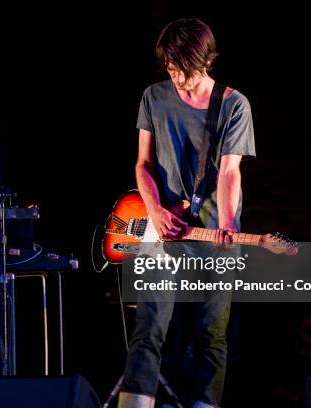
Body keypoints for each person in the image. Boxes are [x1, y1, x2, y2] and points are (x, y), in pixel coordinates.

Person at [118, 18, 256, 408]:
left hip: (213, 233)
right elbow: (142, 165)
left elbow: (230, 171)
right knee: (148, 329)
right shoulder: (153, 97)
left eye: (184, 68)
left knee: (211, 333)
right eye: (171, 68)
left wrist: (227, 225)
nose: (177, 77)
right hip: (162, 228)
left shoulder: (233, 105)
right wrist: (156, 210)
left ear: (206, 60)